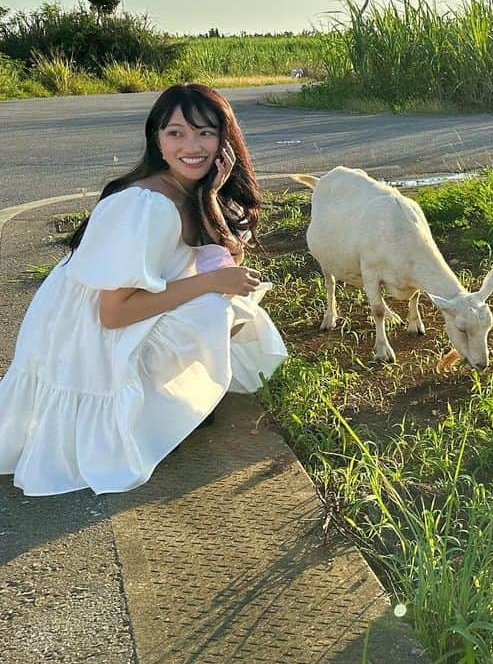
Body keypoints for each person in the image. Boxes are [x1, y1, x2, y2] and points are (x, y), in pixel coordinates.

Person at [0, 84, 288, 496]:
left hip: (124, 318)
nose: (192, 146)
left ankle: (164, 404)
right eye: (176, 133)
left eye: (206, 133)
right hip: (85, 336)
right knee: (213, 306)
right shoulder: (145, 205)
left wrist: (210, 197)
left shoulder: (196, 191)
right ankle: (147, 411)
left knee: (229, 301)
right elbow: (112, 313)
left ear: (226, 141)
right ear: (157, 139)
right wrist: (209, 283)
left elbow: (226, 262)